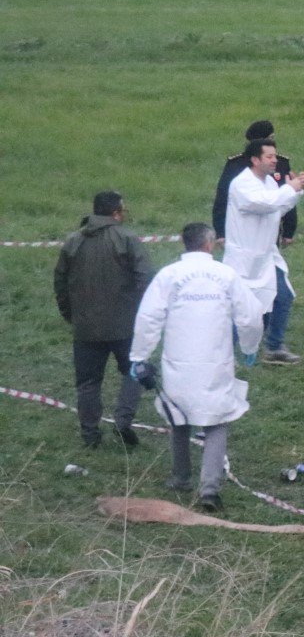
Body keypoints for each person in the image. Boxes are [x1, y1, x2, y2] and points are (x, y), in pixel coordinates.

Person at [130, 222, 267, 512]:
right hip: (215, 361)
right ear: (210, 244)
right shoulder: (226, 275)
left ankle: (181, 477)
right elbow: (251, 316)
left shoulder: (169, 275)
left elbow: (149, 317)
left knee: (178, 417)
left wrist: (139, 355)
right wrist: (250, 347)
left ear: (185, 243)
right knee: (217, 421)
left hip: (179, 361)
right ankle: (209, 489)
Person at [53, 190, 154, 449]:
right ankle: (122, 420)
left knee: (88, 383)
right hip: (125, 325)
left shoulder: (73, 241)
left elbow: (60, 283)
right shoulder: (127, 238)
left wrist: (71, 315)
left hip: (86, 327)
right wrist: (143, 314)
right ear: (116, 213)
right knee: (134, 372)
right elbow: (146, 279)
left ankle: (89, 435)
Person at [222, 138, 304, 364]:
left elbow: (276, 208)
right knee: (241, 308)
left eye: (275, 156)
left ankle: (274, 347)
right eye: (269, 156)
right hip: (245, 260)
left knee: (283, 296)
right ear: (255, 159)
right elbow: (264, 204)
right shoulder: (242, 184)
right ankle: (224, 352)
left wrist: (295, 193)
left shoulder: (269, 182)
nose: (274, 160)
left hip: (267, 255)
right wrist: (290, 188)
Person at [214, 119, 298, 245]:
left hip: (270, 230)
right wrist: (221, 232)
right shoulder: (236, 165)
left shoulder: (280, 164)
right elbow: (223, 198)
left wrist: (288, 231)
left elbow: (283, 198)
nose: (273, 160)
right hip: (242, 233)